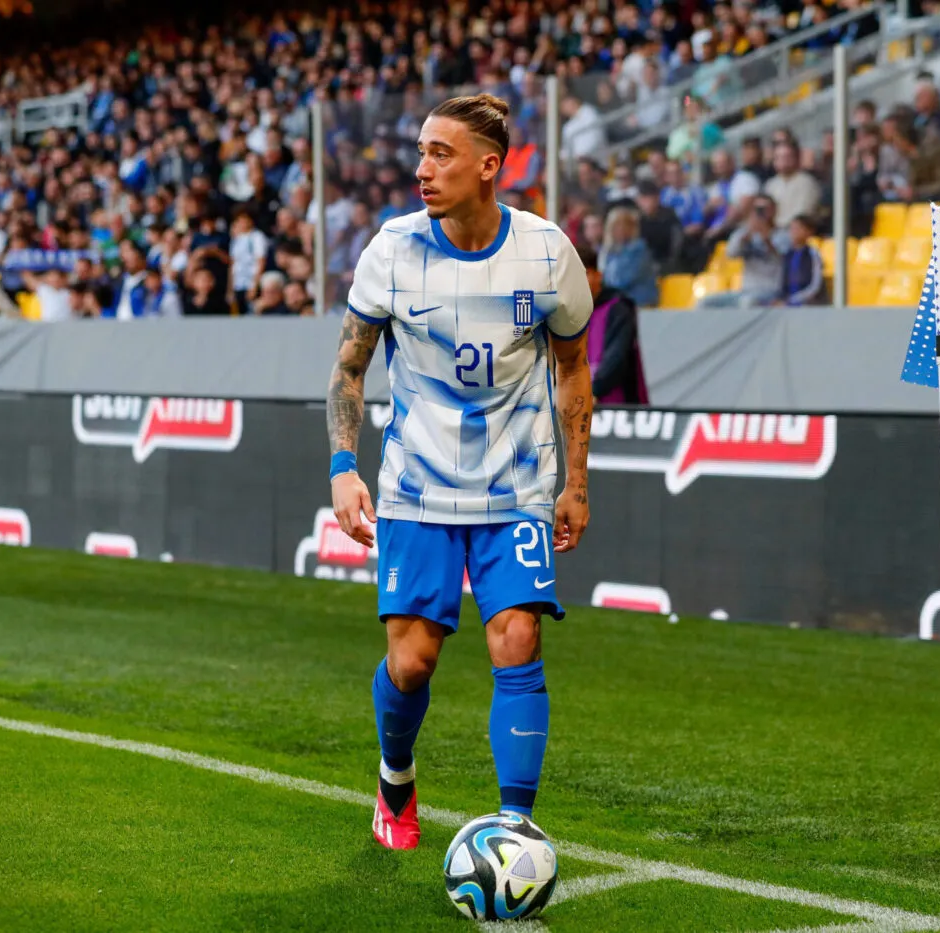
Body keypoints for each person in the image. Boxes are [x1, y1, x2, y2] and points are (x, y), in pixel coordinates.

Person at [324, 94, 594, 852]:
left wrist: (576, 482)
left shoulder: (547, 254)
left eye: (441, 153)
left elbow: (574, 369)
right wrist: (344, 468)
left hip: (517, 488)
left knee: (516, 639)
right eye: (420, 151)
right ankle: (395, 775)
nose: (422, 168)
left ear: (488, 165)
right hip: (416, 486)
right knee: (411, 662)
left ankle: (516, 826)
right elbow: (349, 369)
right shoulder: (391, 250)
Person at [576, 244, 648, 405]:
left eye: (584, 273)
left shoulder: (618, 308)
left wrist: (593, 391)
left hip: (620, 411)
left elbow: (616, 357)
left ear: (598, 276)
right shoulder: (568, 312)